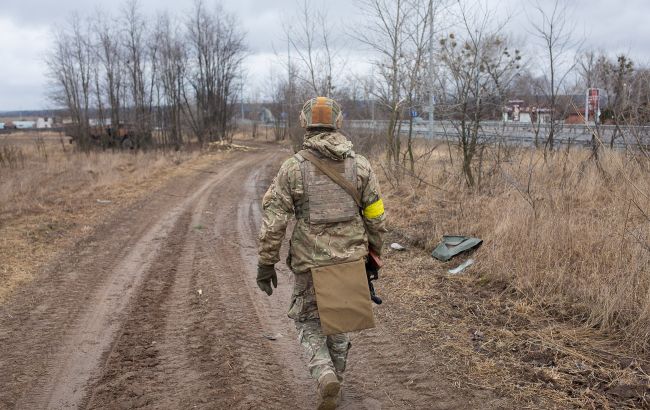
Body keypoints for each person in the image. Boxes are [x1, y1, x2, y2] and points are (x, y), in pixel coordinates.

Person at [256, 96, 387, 409]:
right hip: (351, 259)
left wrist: (266, 263)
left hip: (310, 264)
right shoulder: (361, 166)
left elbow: (274, 223)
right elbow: (377, 216)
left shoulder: (293, 169)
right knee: (339, 323)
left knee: (307, 322)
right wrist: (374, 255)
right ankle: (336, 383)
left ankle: (324, 373)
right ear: (338, 123)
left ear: (305, 124)